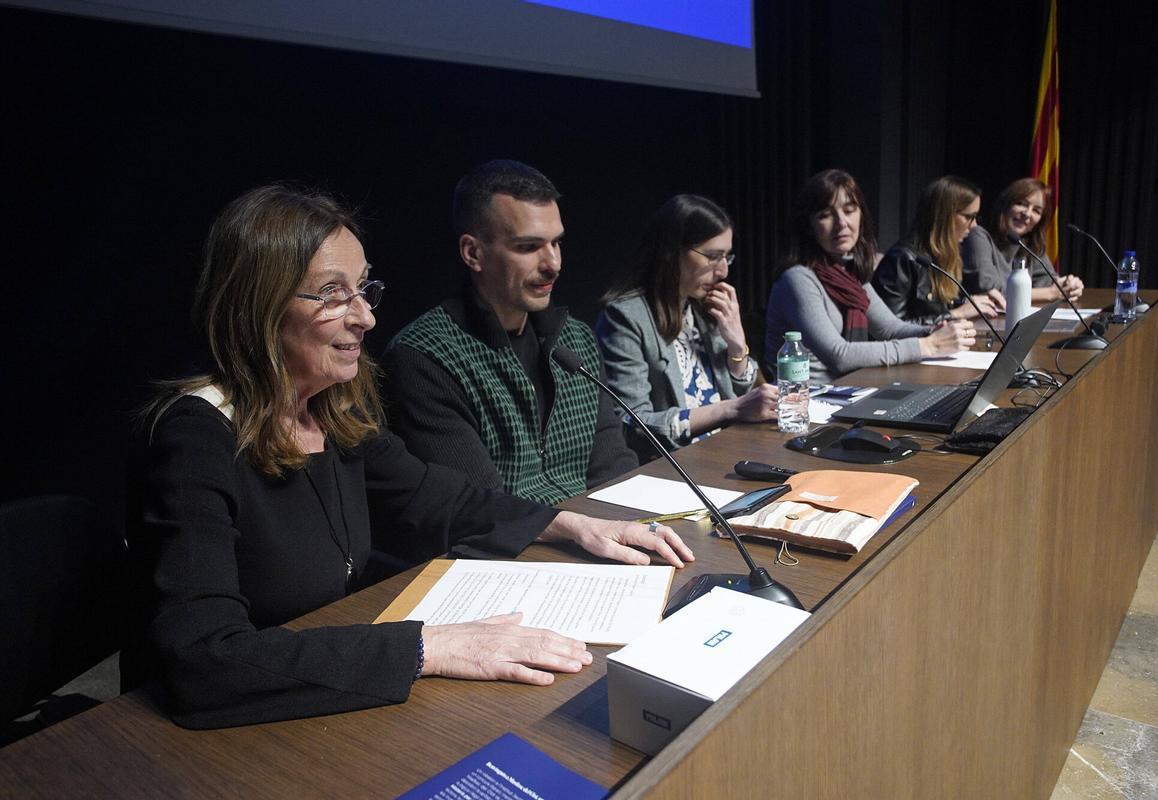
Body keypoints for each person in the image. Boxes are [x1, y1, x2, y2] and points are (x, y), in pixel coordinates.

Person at [127, 184, 693, 730]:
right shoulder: (195, 440)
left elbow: (435, 496)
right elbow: (203, 660)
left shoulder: (330, 413)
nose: (365, 318)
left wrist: (566, 524)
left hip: (320, 695)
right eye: (331, 294)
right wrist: (430, 644)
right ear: (257, 305)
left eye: (363, 289)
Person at [382, 161, 637, 505]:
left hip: (595, 536)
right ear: (473, 253)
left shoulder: (575, 340)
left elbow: (615, 470)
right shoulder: (424, 357)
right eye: (529, 247)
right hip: (510, 550)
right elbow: (481, 507)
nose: (553, 264)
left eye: (556, 243)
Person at [595, 194, 777, 459]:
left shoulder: (702, 306)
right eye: (713, 257)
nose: (723, 271)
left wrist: (737, 343)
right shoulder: (626, 317)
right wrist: (729, 410)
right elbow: (632, 425)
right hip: (680, 462)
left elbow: (744, 398)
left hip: (730, 449)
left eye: (727, 257)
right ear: (672, 251)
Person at [765, 170, 975, 385]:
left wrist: (936, 331)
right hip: (805, 402)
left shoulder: (848, 271)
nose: (842, 223)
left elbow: (889, 329)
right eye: (825, 215)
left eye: (849, 210)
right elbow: (839, 355)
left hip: (848, 390)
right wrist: (929, 345)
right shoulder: (797, 278)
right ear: (808, 226)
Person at [872, 175, 1007, 325]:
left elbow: (936, 306)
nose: (974, 225)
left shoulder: (945, 254)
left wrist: (971, 302)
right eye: (969, 217)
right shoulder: (902, 259)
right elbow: (890, 328)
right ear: (944, 216)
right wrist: (955, 314)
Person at [961, 177, 1084, 302]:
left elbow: (1050, 282)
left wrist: (1069, 285)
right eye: (1021, 204)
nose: (1027, 214)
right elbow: (991, 292)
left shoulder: (1029, 245)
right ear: (1006, 205)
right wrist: (1050, 293)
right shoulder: (977, 236)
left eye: (1036, 210)